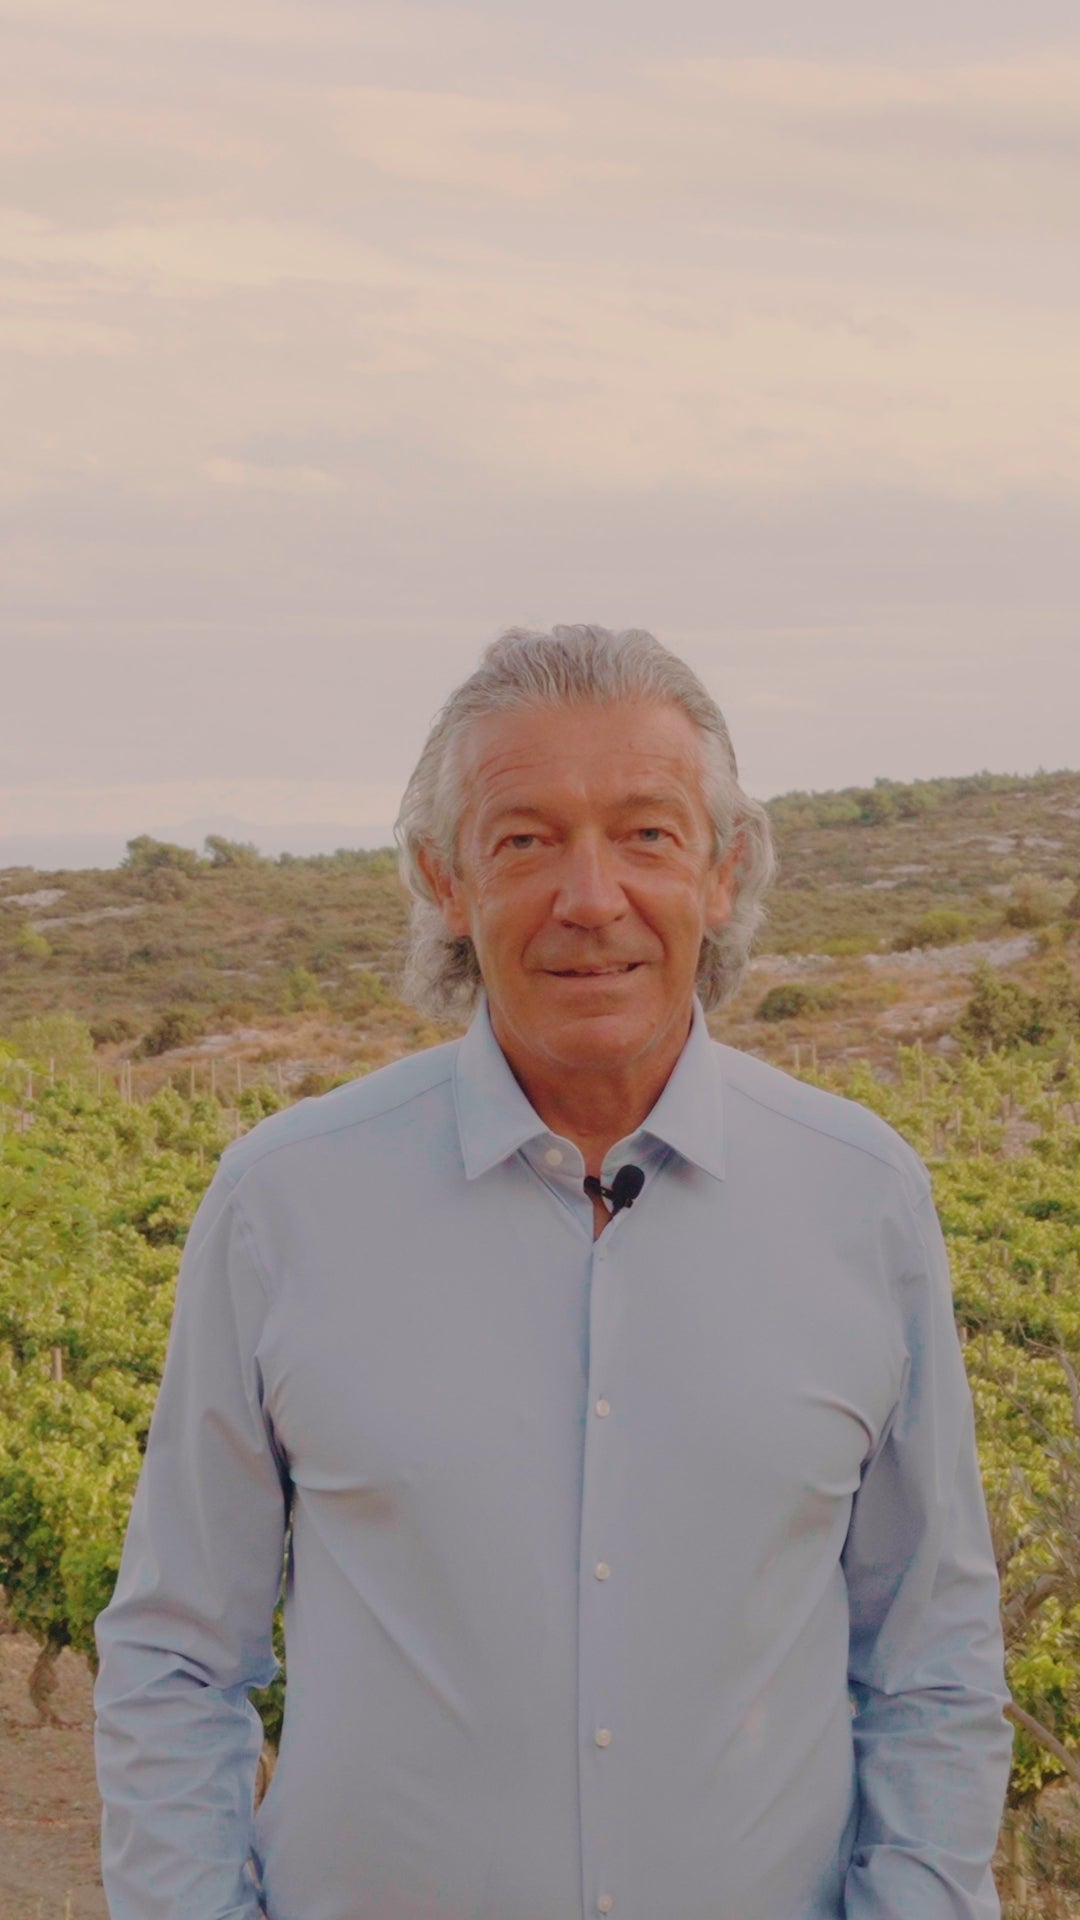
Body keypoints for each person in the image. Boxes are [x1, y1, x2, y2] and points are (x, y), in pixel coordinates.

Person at [94, 624, 1012, 1920]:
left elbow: (931, 1663)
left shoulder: (863, 1199)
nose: (591, 898)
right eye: (525, 840)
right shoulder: (282, 1205)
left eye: (647, 834)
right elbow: (176, 1658)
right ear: (444, 877)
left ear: (723, 870)